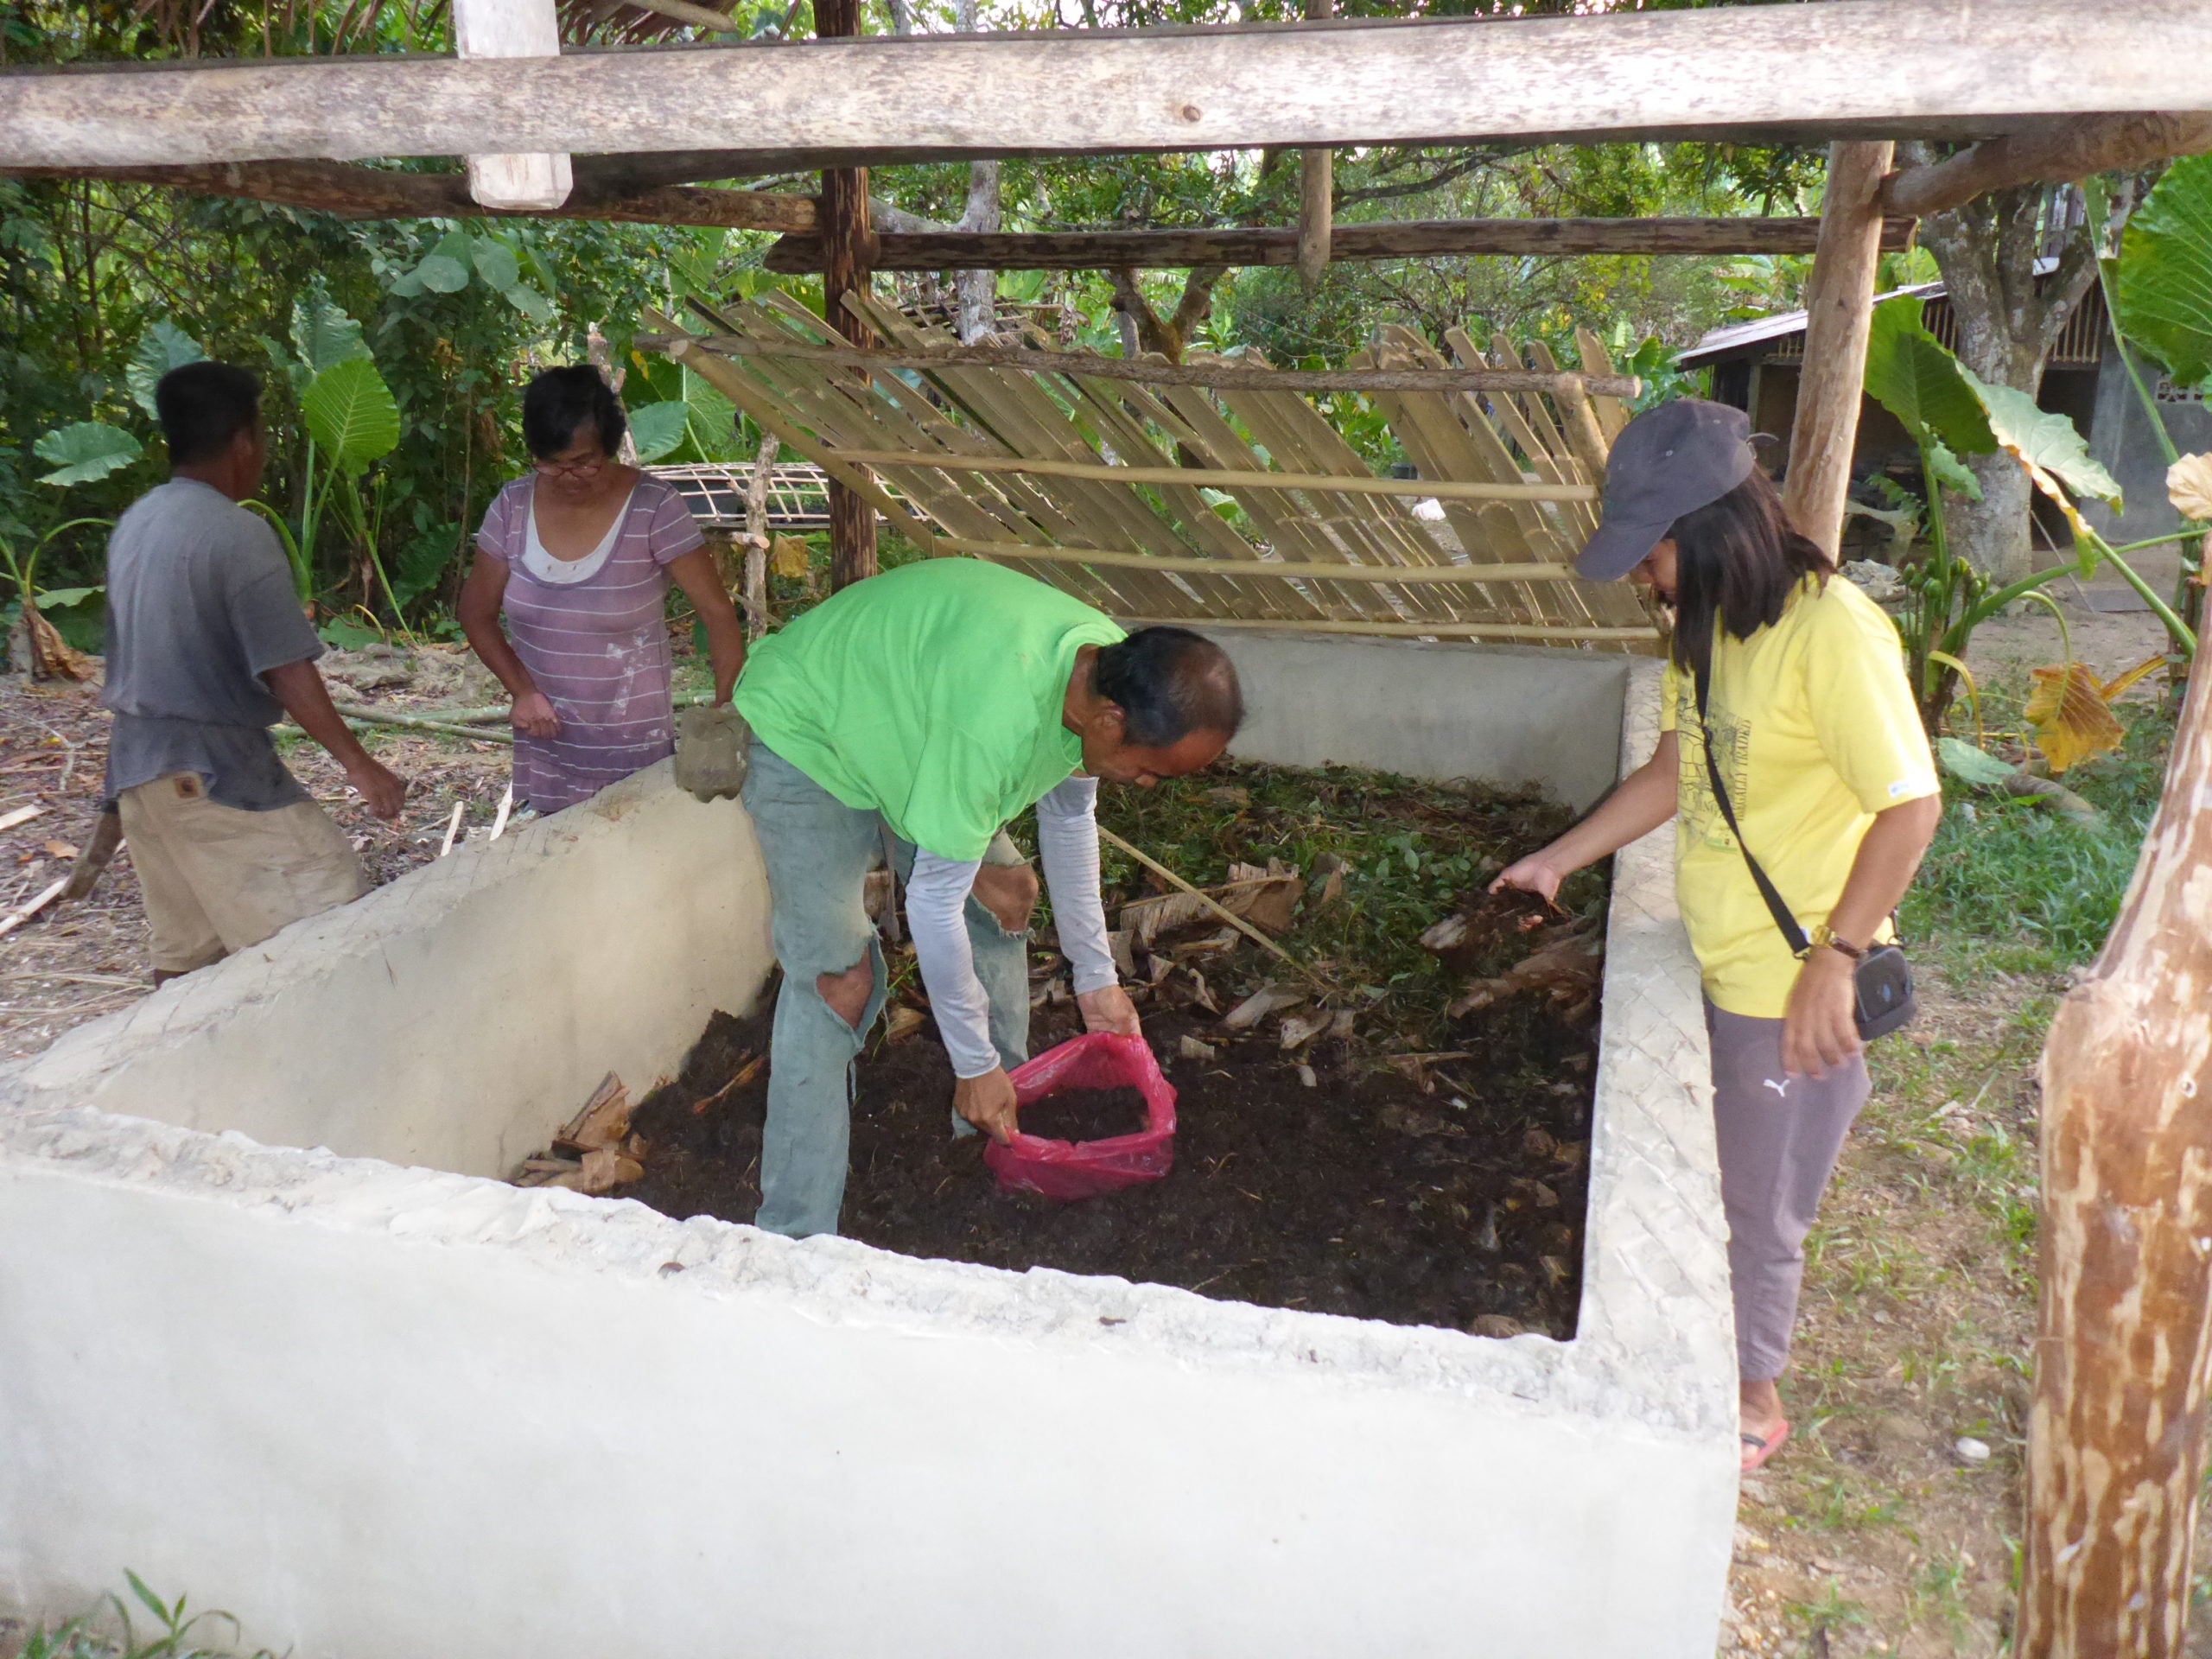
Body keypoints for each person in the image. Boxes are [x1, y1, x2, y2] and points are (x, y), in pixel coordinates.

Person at [1490, 399, 1941, 1473]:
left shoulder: (1832, 631)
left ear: (1706, 530)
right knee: (1735, 1183)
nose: (1645, 578)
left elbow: (1909, 805)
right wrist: (1561, 858)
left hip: (1786, 984)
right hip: (1725, 957)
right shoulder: (1712, 627)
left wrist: (1834, 962)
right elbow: (1673, 774)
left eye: (1650, 555)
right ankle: (1737, 1365)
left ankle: (1752, 1395)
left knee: (1758, 1201)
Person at [731, 557, 1245, 1239]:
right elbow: (931, 907)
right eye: (1150, 771)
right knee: (837, 979)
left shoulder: (1103, 663)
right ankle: (794, 1234)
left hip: (915, 728)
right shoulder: (996, 724)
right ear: (1109, 722)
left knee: (1005, 894)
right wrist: (970, 1062)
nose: (1148, 786)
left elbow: (1067, 816)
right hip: (812, 733)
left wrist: (1096, 981)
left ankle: (991, 1129)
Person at [101, 361, 409, 984]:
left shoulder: (137, 522)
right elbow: (287, 670)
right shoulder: (237, 534)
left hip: (138, 774)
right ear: (245, 440)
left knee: (192, 959)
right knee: (331, 908)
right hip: (210, 773)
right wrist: (359, 763)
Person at [458, 365, 746, 813]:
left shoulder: (654, 507)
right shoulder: (512, 507)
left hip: (634, 745)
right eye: (552, 463)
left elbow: (717, 612)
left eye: (584, 461)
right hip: (546, 737)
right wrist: (521, 691)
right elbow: (475, 613)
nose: (570, 476)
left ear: (609, 447)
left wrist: (725, 708)